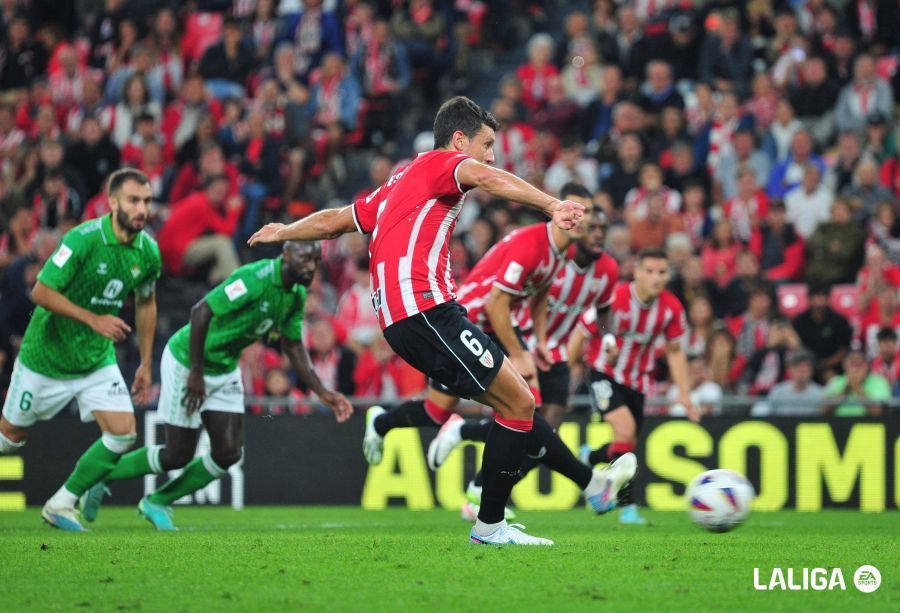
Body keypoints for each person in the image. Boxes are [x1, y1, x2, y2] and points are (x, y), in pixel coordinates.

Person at [248, 96, 634, 546]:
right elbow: (487, 176)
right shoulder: (441, 163)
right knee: (519, 403)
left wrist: (285, 230)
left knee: (518, 403)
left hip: (409, 316)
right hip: (424, 309)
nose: (490, 154)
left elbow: (336, 221)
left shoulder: (396, 182)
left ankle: (554, 495)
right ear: (458, 140)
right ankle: (493, 521)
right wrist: (551, 204)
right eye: (486, 143)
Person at [358, 184, 624, 523]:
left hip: (492, 328)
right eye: (577, 210)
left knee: (463, 411)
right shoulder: (531, 243)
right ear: (560, 210)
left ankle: (386, 424)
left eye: (586, 213)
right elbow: (496, 302)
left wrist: (540, 341)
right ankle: (586, 484)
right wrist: (519, 352)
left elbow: (540, 292)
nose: (582, 219)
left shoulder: (562, 251)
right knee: (518, 408)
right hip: (467, 323)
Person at [80, 241, 352, 530]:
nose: (311, 266)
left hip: (224, 367)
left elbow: (294, 348)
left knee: (228, 452)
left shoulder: (296, 295)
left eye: (316, 261)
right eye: (305, 258)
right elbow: (201, 312)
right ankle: (101, 476)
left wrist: (324, 392)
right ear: (286, 255)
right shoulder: (254, 278)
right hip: (188, 361)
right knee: (176, 455)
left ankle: (157, 501)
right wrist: (196, 372)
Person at [0, 169, 160, 532]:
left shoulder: (148, 252)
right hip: (46, 357)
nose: (142, 209)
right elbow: (40, 291)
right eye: (134, 200)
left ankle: (61, 504)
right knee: (10, 439)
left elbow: (147, 303)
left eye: (147, 201)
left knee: (122, 432)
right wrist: (94, 319)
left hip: (94, 359)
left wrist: (147, 362)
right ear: (113, 202)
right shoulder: (83, 239)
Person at [571, 248, 699, 525]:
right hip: (603, 373)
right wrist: (563, 374)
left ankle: (590, 456)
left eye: (662, 272)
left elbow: (675, 352)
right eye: (650, 271)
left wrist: (685, 395)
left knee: (627, 443)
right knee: (626, 431)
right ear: (637, 272)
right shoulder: (614, 298)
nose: (656, 277)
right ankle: (626, 507)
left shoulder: (671, 308)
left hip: (639, 381)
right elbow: (581, 333)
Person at [792, 283, 853, 382]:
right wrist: (808, 365)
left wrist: (822, 365)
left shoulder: (840, 321)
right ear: (809, 299)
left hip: (831, 366)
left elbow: (843, 351)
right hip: (803, 363)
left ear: (828, 298)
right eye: (816, 297)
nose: (819, 301)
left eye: (822, 296)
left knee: (831, 377)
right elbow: (794, 345)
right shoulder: (799, 321)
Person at [752, 347, 824, 417]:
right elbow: (762, 411)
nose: (802, 370)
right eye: (798, 366)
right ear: (790, 370)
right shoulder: (778, 391)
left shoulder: (820, 394)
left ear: (812, 369)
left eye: (806, 366)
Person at [822, 350, 890, 417]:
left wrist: (857, 388)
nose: (855, 369)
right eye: (852, 364)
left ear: (867, 366)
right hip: (838, 424)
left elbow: (877, 412)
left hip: (868, 424)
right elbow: (823, 411)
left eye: (859, 364)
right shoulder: (835, 381)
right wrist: (846, 389)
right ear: (844, 366)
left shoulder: (879, 381)